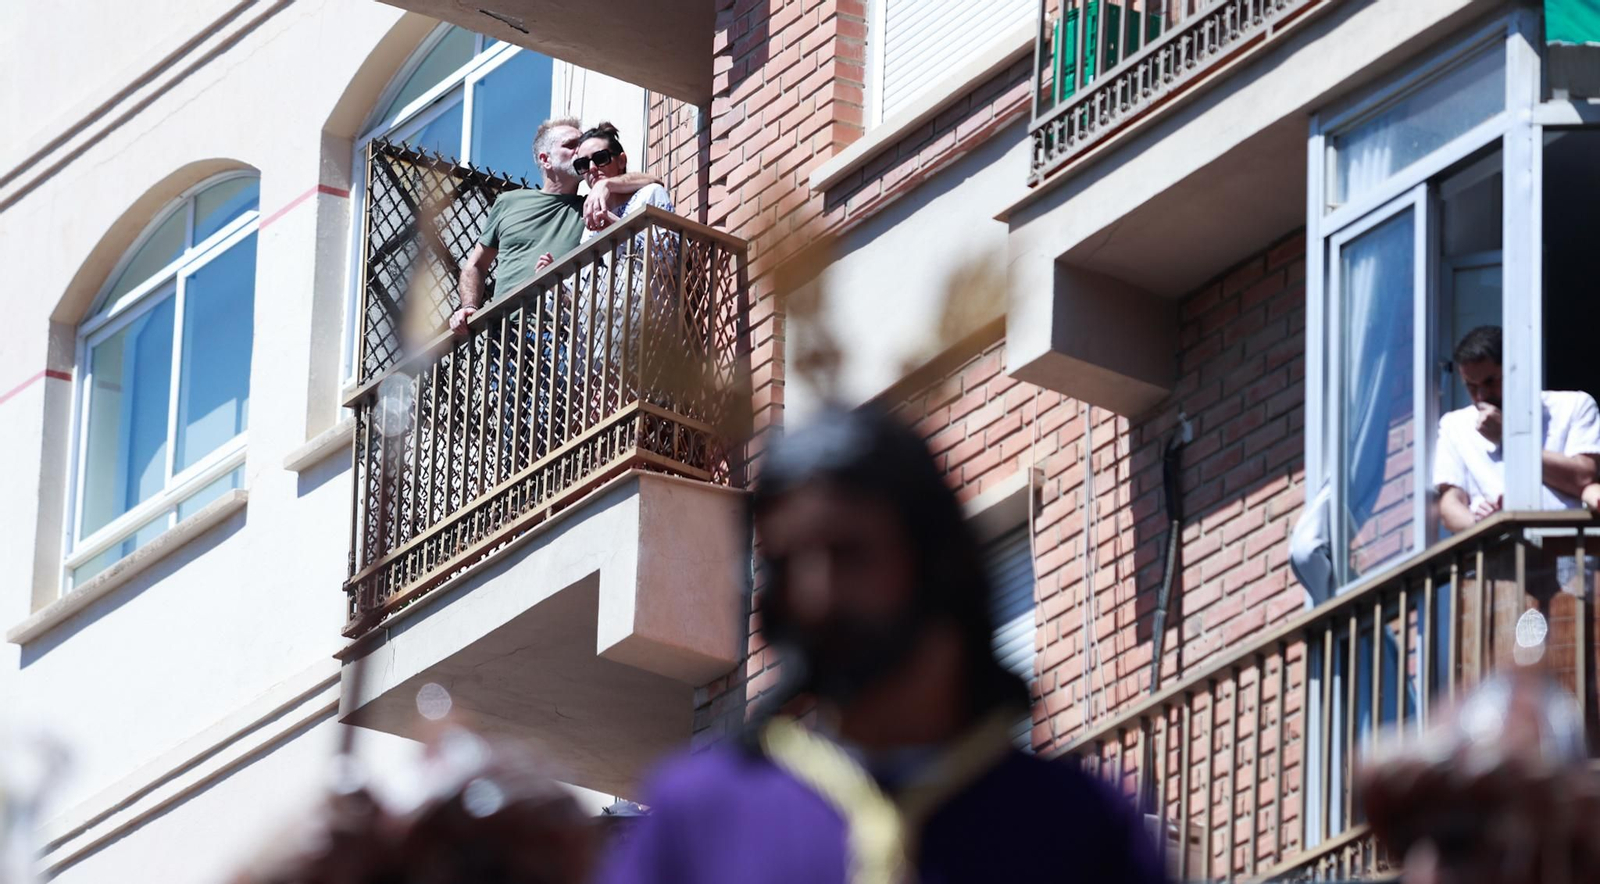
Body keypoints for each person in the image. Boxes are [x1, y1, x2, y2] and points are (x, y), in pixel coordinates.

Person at [597, 405, 1164, 884]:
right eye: (789, 565)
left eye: (851, 554)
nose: (818, 597)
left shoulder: (1078, 827)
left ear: (934, 563)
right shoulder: (697, 822)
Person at [451, 118, 662, 335]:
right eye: (571, 145)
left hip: (562, 331)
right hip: (505, 333)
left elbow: (653, 180)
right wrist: (469, 307)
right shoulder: (509, 202)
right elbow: (475, 265)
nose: (579, 151)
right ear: (546, 159)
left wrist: (605, 185)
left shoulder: (591, 208)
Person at [1435, 325, 1600, 532]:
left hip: (1569, 554)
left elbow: (1584, 477)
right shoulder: (1455, 425)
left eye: (1490, 382)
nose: (1481, 396)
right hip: (1500, 558)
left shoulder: (1573, 406)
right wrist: (1483, 526)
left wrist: (1508, 438)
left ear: (1516, 369)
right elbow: (1449, 504)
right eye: (1471, 386)